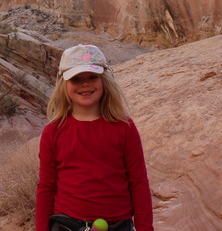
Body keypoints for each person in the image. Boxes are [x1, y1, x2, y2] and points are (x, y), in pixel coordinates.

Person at [36, 45, 154, 231]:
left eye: (92, 77)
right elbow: (46, 187)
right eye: (76, 79)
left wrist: (145, 228)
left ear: (104, 80)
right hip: (68, 225)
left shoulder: (124, 127)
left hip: (118, 226)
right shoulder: (53, 131)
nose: (85, 84)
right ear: (64, 84)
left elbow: (138, 183)